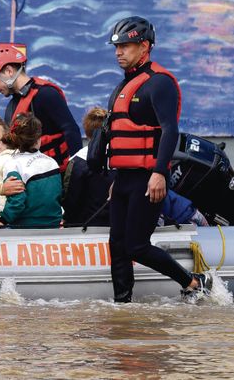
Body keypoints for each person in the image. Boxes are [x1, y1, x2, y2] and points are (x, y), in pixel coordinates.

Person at [102, 16, 210, 303]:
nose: (118, 52)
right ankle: (122, 303)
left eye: (125, 46)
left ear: (145, 46)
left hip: (147, 178)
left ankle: (192, 281)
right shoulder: (125, 85)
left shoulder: (159, 83)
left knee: (136, 245)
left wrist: (159, 172)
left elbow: (169, 129)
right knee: (117, 245)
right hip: (124, 178)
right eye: (116, 47)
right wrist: (116, 179)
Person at [65, 107, 207, 228]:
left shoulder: (76, 162)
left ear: (87, 131)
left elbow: (71, 205)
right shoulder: (130, 158)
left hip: (90, 228)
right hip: (128, 226)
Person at [0, 44, 81, 170]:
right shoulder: (11, 107)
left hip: (58, 175)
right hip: (29, 179)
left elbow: (71, 131)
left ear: (9, 71)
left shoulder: (46, 94)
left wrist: (76, 172)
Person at [0, 114, 63, 228]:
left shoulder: (13, 164)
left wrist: (2, 220)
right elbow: (58, 195)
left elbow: (17, 201)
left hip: (25, 229)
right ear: (38, 139)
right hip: (54, 225)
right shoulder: (52, 162)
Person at [62, 107, 113, 227]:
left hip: (86, 226)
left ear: (86, 131)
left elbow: (70, 201)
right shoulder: (123, 158)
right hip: (119, 223)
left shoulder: (77, 161)